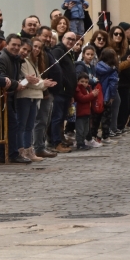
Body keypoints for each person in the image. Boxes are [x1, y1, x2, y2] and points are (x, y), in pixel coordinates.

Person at [17, 37, 54, 162]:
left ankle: (29, 150)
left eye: (39, 48)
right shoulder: (24, 61)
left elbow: (35, 79)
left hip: (33, 96)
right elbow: (28, 81)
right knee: (23, 125)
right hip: (25, 96)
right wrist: (44, 84)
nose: (36, 50)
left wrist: (43, 82)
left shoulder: (33, 61)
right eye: (35, 47)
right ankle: (22, 150)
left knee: (29, 125)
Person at [0, 34, 27, 163]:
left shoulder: (15, 59)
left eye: (18, 45)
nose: (16, 47)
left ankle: (5, 154)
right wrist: (16, 84)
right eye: (13, 45)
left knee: (9, 126)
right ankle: (11, 154)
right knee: (10, 125)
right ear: (7, 44)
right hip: (3, 97)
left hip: (10, 96)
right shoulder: (2, 57)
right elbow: (2, 76)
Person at [33, 26, 60, 158]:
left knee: (45, 120)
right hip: (39, 90)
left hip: (47, 90)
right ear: (38, 35)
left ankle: (40, 146)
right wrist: (43, 85)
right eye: (46, 36)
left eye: (50, 37)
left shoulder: (47, 51)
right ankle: (37, 147)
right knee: (39, 121)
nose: (48, 39)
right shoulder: (34, 52)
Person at [49, 31, 78, 153]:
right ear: (63, 38)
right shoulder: (58, 50)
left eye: (73, 39)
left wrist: (71, 92)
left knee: (61, 119)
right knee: (57, 117)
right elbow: (56, 70)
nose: (71, 41)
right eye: (68, 39)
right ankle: (56, 143)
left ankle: (60, 139)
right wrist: (63, 83)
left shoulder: (69, 52)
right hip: (60, 91)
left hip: (67, 92)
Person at [114, 22, 130, 133]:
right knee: (122, 106)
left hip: (127, 83)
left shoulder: (126, 45)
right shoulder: (117, 48)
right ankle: (118, 126)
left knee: (128, 105)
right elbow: (118, 65)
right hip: (121, 83)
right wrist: (129, 62)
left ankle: (122, 126)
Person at [96, 48, 120, 144]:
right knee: (106, 117)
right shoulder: (112, 70)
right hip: (106, 96)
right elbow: (113, 84)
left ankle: (94, 135)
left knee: (96, 117)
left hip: (97, 95)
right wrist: (112, 96)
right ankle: (105, 136)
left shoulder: (97, 66)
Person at [73, 72, 98, 150]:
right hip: (80, 113)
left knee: (86, 130)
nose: (84, 83)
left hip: (87, 113)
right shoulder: (77, 89)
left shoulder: (88, 88)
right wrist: (92, 95)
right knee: (80, 130)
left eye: (86, 82)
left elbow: (91, 98)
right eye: (82, 81)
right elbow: (82, 98)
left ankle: (83, 142)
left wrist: (94, 95)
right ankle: (79, 143)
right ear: (78, 81)